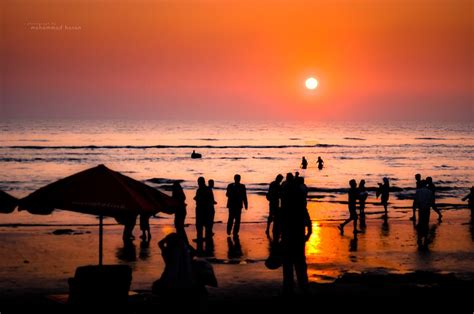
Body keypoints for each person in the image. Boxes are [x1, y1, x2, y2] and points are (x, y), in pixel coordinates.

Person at [280, 173, 312, 295]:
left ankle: (289, 289)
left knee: (288, 263)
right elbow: (306, 214)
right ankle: (304, 288)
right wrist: (309, 230)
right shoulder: (300, 201)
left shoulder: (286, 203)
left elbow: (280, 220)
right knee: (300, 263)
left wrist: (277, 236)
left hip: (288, 234)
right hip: (298, 234)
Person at [413, 180, 434, 250]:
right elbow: (432, 201)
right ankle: (425, 237)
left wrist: (415, 207)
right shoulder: (429, 191)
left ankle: (420, 237)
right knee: (426, 222)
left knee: (421, 222)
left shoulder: (418, 191)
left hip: (421, 208)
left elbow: (416, 200)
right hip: (427, 208)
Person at [266, 174, 283, 239]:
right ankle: (273, 229)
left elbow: (269, 192)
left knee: (271, 215)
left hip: (271, 201)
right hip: (275, 202)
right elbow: (279, 193)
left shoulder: (272, 183)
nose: (281, 181)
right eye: (281, 179)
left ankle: (268, 228)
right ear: (279, 179)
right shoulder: (278, 185)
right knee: (276, 216)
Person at [194, 177, 211, 242]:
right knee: (206, 225)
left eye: (198, 182)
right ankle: (207, 239)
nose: (198, 183)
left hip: (200, 209)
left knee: (199, 225)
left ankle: (200, 238)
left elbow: (198, 199)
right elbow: (210, 199)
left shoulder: (199, 190)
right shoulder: (208, 189)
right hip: (207, 209)